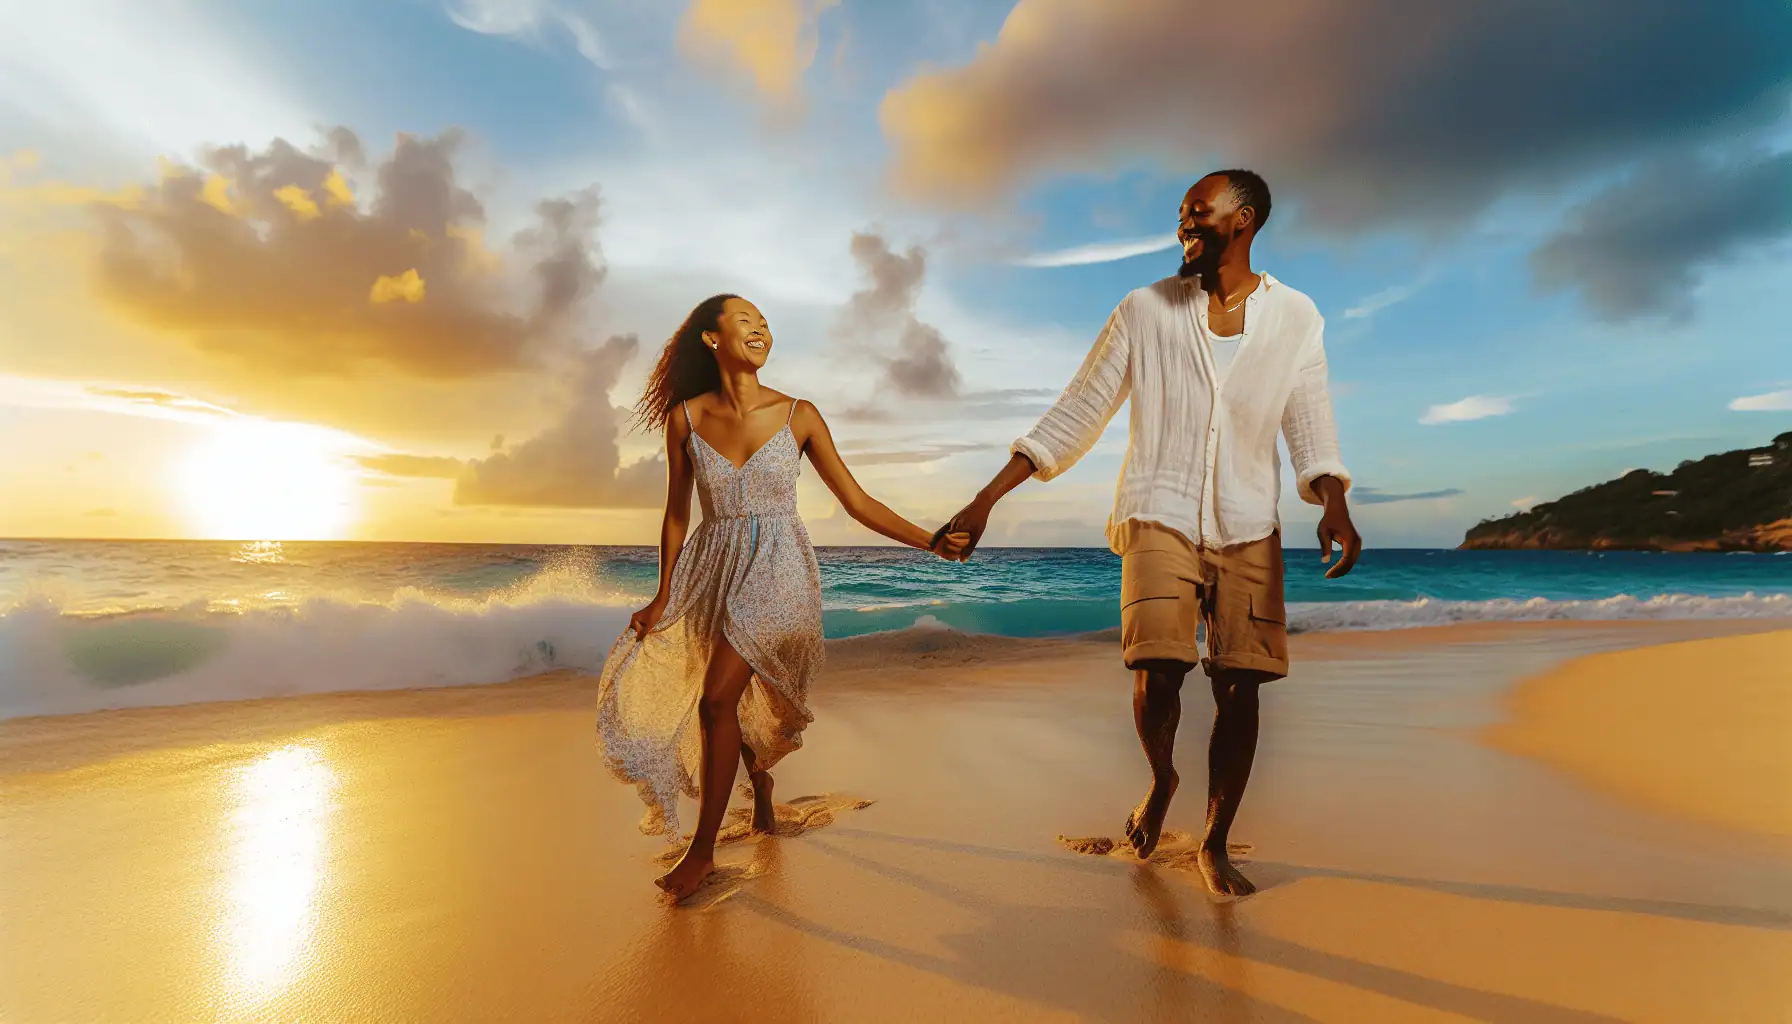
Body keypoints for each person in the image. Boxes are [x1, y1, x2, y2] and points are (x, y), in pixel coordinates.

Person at [937, 170, 1362, 896]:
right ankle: (1161, 776)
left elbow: (1310, 422)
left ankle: (1215, 840)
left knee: (1242, 686)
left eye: (1198, 214)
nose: (1184, 228)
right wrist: (985, 499)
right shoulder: (1144, 309)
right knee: (1156, 667)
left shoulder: (1298, 317)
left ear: (1245, 218)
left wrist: (1334, 502)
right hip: (1156, 507)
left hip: (1250, 519)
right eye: (1180, 217)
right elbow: (1077, 412)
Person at [597, 293, 969, 902]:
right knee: (728, 697)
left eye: (765, 323)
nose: (761, 329)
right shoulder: (685, 419)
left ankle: (702, 853)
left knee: (717, 699)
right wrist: (663, 594)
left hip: (780, 569)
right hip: (711, 569)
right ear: (712, 339)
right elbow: (675, 514)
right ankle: (760, 786)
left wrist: (928, 540)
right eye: (746, 320)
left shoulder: (799, 414)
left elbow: (856, 501)